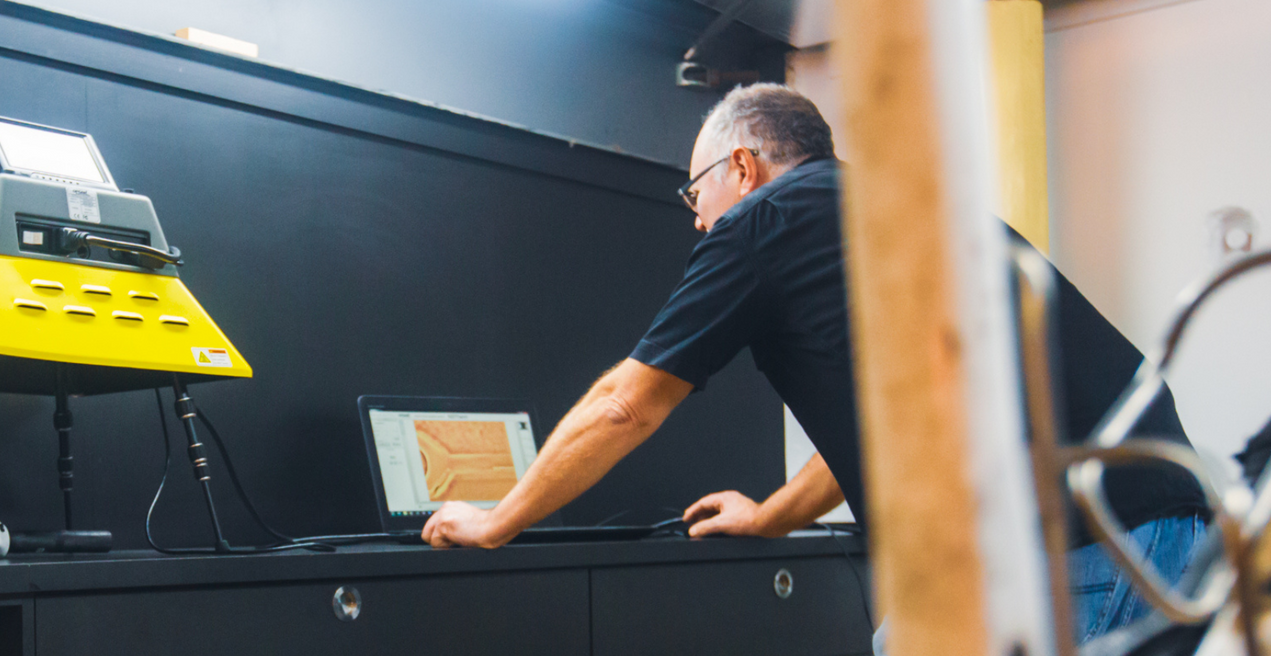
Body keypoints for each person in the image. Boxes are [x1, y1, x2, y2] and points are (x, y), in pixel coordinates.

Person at [419, 83, 1210, 644]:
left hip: (1076, 542)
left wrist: (496, 521)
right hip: (1158, 524)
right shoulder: (893, 209)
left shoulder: (764, 222)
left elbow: (629, 403)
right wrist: (769, 516)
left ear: (742, 167)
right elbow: (885, 423)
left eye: (696, 195)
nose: (699, 224)